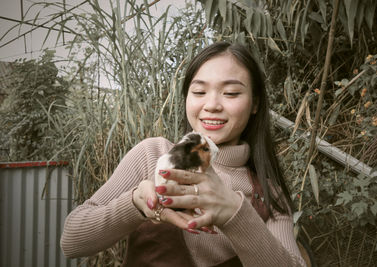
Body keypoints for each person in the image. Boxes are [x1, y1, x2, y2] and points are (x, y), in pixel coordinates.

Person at [61, 41, 306, 267]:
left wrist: (234, 212)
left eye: (231, 93)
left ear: (254, 104)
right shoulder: (153, 154)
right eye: (199, 92)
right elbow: (72, 242)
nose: (211, 105)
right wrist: (134, 203)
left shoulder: (269, 194)